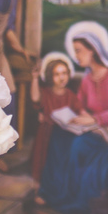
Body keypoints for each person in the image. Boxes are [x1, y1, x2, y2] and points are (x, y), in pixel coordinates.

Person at [37, 23, 108, 213]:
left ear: (92, 50)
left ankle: (73, 197)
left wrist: (95, 119)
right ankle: (53, 191)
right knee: (58, 136)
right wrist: (77, 117)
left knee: (79, 144)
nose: (76, 56)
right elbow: (81, 107)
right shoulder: (87, 79)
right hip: (92, 128)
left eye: (78, 51)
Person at [30, 52, 80, 185]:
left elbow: (78, 112)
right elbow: (35, 98)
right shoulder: (46, 93)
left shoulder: (70, 95)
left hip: (64, 135)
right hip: (47, 134)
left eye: (64, 73)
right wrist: (35, 78)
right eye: (56, 74)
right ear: (50, 76)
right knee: (45, 161)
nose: (61, 78)